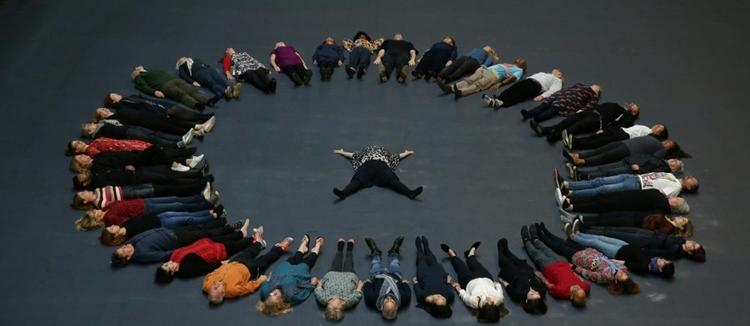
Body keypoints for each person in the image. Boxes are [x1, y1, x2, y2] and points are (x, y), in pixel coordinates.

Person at [533, 223, 640, 295]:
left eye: (620, 275)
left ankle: (542, 237)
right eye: (624, 273)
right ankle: (546, 232)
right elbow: (621, 265)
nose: (621, 272)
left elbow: (587, 274)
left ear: (616, 280)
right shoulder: (622, 269)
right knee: (565, 242)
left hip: (580, 259)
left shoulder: (604, 278)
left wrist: (575, 267)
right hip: (591, 252)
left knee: (560, 247)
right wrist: (619, 268)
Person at [109, 218, 248, 267]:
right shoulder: (142, 255)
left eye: (122, 247)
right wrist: (183, 248)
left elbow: (138, 237)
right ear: (128, 258)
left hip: (169, 230)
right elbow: (163, 255)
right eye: (124, 250)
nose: (125, 246)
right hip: (178, 239)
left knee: (200, 228)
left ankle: (224, 225)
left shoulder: (132, 243)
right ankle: (231, 230)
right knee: (206, 234)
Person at [155, 226, 264, 283]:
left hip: (203, 244)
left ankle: (241, 233)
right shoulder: (185, 270)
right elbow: (203, 269)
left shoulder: (170, 258)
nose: (168, 264)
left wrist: (166, 261)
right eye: (168, 267)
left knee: (226, 239)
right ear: (172, 273)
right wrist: (220, 263)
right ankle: (254, 239)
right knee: (234, 246)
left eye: (165, 265)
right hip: (215, 253)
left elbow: (168, 256)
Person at [203, 236, 293, 304]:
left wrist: (219, 268)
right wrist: (259, 281)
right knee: (266, 258)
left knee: (249, 251)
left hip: (234, 262)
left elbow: (208, 277)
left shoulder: (208, 286)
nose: (216, 283)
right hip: (250, 268)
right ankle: (281, 247)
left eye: (213, 287)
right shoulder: (232, 290)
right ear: (223, 294)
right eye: (217, 287)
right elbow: (248, 287)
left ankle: (259, 243)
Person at [567, 224, 675, 277]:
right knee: (600, 237)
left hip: (617, 252)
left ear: (661, 269)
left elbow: (629, 264)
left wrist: (616, 261)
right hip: (624, 245)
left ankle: (573, 237)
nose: (663, 259)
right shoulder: (652, 259)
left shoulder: (645, 267)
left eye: (664, 262)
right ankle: (579, 233)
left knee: (595, 243)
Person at [520, 225, 590, 307]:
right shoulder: (586, 287)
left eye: (576, 289)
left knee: (536, 253)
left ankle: (526, 240)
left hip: (548, 267)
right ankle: (535, 239)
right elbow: (580, 278)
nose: (577, 286)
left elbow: (549, 285)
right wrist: (572, 270)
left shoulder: (561, 292)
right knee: (546, 249)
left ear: (571, 297)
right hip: (563, 263)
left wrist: (541, 276)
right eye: (580, 288)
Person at [257, 235, 324, 316]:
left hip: (286, 267)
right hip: (300, 271)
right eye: (275, 295)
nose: (273, 292)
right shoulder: (290, 297)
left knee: (297, 256)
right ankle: (316, 248)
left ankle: (304, 246)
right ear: (281, 301)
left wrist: (268, 279)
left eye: (270, 294)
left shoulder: (265, 292)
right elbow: (303, 295)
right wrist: (312, 284)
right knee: (310, 259)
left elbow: (265, 284)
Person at [440, 242, 507, 322]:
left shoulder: (474, 303)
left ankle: (452, 254)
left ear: (482, 308)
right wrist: (496, 284)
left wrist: (458, 288)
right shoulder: (499, 299)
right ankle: (470, 253)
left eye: (486, 303)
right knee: (473, 261)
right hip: (485, 277)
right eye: (493, 303)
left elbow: (464, 296)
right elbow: (499, 288)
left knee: (459, 265)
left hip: (468, 281)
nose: (489, 300)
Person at [74, 194, 217, 231]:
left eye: (93, 211)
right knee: (176, 205)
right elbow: (128, 221)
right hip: (145, 210)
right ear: (96, 221)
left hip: (144, 202)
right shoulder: (110, 219)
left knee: (174, 199)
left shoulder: (106, 209)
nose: (95, 211)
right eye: (94, 214)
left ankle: (201, 198)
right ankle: (205, 204)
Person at [332, 146, 423, 200]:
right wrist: (342, 152)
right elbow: (352, 155)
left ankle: (410, 193)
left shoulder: (387, 156)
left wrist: (406, 153)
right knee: (357, 180)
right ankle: (343, 193)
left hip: (381, 165)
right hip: (368, 165)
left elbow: (398, 156)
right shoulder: (363, 155)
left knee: (393, 180)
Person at [580, 226, 706, 261]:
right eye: (695, 243)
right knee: (614, 229)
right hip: (647, 234)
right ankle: (586, 228)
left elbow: (656, 252)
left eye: (694, 246)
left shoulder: (675, 252)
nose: (693, 242)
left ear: (690, 252)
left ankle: (584, 231)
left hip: (643, 241)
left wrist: (642, 249)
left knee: (612, 235)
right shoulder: (681, 240)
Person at [73, 178, 212, 209]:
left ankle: (197, 184)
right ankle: (198, 188)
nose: (84, 191)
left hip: (131, 187)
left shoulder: (98, 190)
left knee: (167, 183)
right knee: (169, 191)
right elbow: (120, 204)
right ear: (85, 201)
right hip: (134, 195)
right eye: (82, 195)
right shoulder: (100, 203)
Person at [531, 102, 640, 142]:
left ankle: (554, 136)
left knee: (576, 127)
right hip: (591, 112)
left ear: (634, 112)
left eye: (635, 107)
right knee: (568, 121)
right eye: (631, 104)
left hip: (598, 120)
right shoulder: (615, 105)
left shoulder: (627, 116)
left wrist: (604, 130)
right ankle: (545, 129)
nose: (632, 104)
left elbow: (620, 125)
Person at [99, 214, 233, 246]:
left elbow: (139, 218)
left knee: (186, 215)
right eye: (111, 228)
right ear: (115, 236)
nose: (112, 225)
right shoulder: (132, 237)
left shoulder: (124, 224)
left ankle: (211, 216)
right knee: (188, 221)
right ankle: (213, 219)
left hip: (158, 217)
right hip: (163, 226)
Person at [556, 170, 700, 198]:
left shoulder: (676, 188)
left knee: (603, 189)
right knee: (599, 181)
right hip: (634, 177)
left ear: (689, 187)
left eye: (692, 180)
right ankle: (568, 185)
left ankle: (572, 194)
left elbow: (661, 195)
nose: (690, 177)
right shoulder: (672, 176)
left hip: (638, 186)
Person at [362, 237, 411, 320]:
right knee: (394, 264)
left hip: (378, 274)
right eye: (392, 301)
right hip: (395, 275)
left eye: (386, 301)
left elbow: (367, 288)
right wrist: (405, 282)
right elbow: (407, 291)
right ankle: (394, 252)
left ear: (381, 308)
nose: (389, 298)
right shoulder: (404, 300)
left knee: (376, 263)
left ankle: (375, 252)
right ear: (396, 307)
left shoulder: (372, 300)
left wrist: (368, 282)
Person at [314, 238, 363, 321]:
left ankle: (340, 248)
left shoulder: (323, 299)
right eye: (337, 303)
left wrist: (320, 283)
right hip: (349, 275)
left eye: (330, 303)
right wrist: (359, 287)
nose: (332, 300)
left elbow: (318, 291)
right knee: (349, 261)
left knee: (337, 260)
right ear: (342, 306)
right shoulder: (349, 301)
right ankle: (349, 249)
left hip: (332, 274)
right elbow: (357, 295)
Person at [496, 238, 547, 315]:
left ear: (526, 300)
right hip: (526, 270)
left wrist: (503, 281)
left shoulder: (518, 295)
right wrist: (537, 275)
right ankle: (507, 250)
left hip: (513, 273)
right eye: (537, 294)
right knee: (514, 258)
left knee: (503, 260)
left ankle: (500, 249)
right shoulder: (542, 291)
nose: (534, 291)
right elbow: (541, 282)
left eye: (532, 294)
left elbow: (509, 288)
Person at [565, 137, 690, 167]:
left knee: (606, 156)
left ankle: (582, 162)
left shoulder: (661, 151)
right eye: (668, 141)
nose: (667, 142)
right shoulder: (655, 139)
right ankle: (578, 155)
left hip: (629, 150)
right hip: (625, 143)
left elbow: (652, 157)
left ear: (670, 149)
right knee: (599, 150)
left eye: (670, 144)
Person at [69, 146, 204, 174]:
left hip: (132, 156)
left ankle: (187, 161)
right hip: (132, 164)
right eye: (81, 158)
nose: (84, 155)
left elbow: (117, 153)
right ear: (81, 165)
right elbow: (114, 170)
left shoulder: (97, 156)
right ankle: (175, 165)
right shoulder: (96, 168)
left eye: (81, 155)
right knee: (155, 148)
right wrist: (127, 169)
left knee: (159, 157)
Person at [131, 66, 214, 110]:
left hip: (174, 80)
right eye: (136, 70)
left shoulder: (151, 71)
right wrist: (154, 92)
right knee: (180, 94)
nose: (137, 68)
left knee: (190, 90)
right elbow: (144, 87)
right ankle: (196, 104)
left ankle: (208, 101)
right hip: (165, 85)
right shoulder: (139, 77)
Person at [438, 59, 527, 100]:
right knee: (470, 80)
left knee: (478, 84)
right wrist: (483, 67)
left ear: (523, 65)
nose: (519, 59)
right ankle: (450, 88)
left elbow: (513, 78)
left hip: (494, 76)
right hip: (485, 69)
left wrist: (500, 84)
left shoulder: (519, 70)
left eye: (522, 60)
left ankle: (461, 92)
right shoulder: (507, 63)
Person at [93, 107, 213, 137]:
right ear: (101, 117)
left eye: (102, 109)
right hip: (143, 122)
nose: (104, 110)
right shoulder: (112, 119)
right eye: (101, 112)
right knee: (168, 127)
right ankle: (194, 132)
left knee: (171, 121)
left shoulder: (118, 110)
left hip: (146, 115)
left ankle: (197, 125)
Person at [559, 211, 694, 238]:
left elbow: (654, 233)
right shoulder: (669, 217)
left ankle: (575, 223)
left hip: (635, 222)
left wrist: (647, 222)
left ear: (681, 227)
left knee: (605, 222)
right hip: (635, 214)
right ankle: (575, 217)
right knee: (606, 215)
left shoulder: (669, 228)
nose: (681, 217)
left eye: (684, 220)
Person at [413, 236, 454, 319]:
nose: (440, 296)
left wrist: (416, 282)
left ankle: (419, 247)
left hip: (424, 273)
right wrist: (449, 282)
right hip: (438, 272)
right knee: (431, 256)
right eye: (443, 299)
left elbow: (417, 288)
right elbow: (449, 287)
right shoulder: (449, 295)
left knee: (421, 258)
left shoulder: (423, 296)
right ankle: (426, 246)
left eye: (438, 299)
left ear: (433, 304)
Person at [103, 93, 213, 123]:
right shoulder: (123, 106)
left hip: (157, 104)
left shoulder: (130, 97)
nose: (117, 94)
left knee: (179, 110)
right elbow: (141, 110)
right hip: (154, 111)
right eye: (114, 96)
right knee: (178, 114)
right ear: (113, 101)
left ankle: (200, 118)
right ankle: (202, 118)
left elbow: (144, 99)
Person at [560, 189, 691, 215]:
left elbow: (644, 211)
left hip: (624, 204)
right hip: (626, 196)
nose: (675, 197)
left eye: (677, 199)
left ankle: (572, 206)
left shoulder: (661, 209)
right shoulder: (661, 198)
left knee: (597, 205)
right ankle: (571, 199)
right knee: (598, 198)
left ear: (675, 205)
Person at [482, 69, 563, 109]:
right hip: (528, 81)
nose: (555, 71)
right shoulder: (544, 73)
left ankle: (503, 103)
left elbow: (554, 90)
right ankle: (496, 100)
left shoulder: (558, 80)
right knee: (511, 89)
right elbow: (533, 76)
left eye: (558, 72)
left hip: (536, 86)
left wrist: (542, 96)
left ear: (560, 76)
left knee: (519, 95)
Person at [81, 120, 192, 148]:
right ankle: (176, 144)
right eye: (89, 126)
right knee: (152, 138)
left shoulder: (101, 125)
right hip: (128, 133)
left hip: (128, 128)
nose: (91, 124)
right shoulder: (99, 134)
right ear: (90, 131)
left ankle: (179, 138)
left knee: (154, 133)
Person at [520, 83, 601, 122]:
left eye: (597, 88)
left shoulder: (593, 95)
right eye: (595, 85)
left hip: (569, 102)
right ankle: (528, 113)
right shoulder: (580, 85)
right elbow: (566, 90)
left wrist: (580, 110)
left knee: (554, 108)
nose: (595, 86)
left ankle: (538, 118)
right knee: (544, 105)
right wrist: (554, 95)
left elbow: (591, 104)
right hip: (561, 96)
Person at [564, 123, 668, 150]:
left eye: (660, 128)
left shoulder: (649, 135)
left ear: (659, 133)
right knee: (598, 136)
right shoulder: (646, 127)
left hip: (625, 136)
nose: (657, 126)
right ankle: (575, 141)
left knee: (600, 141)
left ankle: (576, 145)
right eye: (659, 125)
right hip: (622, 130)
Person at [571, 156, 684, 180]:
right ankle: (582, 173)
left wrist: (638, 169)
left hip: (632, 169)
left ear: (674, 170)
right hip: (629, 161)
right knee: (604, 168)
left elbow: (650, 174)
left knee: (608, 172)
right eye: (674, 160)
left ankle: (584, 176)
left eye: (675, 164)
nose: (673, 161)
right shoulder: (661, 160)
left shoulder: (663, 170)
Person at [67, 137, 152, 157]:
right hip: (123, 149)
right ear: (77, 150)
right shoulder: (90, 151)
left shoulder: (93, 142)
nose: (79, 142)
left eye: (78, 141)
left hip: (125, 143)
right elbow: (107, 154)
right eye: (77, 144)